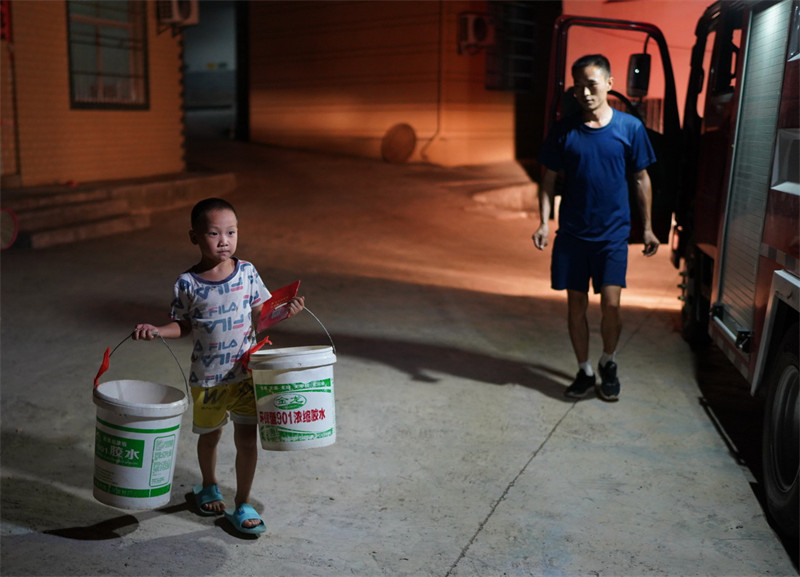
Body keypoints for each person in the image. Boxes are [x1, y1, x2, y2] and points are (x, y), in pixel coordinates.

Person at [132, 197, 305, 535]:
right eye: (214, 233)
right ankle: (209, 486)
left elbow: (261, 316)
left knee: (247, 440)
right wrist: (156, 330)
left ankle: (242, 502)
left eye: (231, 232)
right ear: (194, 237)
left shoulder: (248, 273)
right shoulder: (187, 283)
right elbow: (181, 325)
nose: (224, 240)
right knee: (209, 437)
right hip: (208, 381)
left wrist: (285, 312)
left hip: (245, 375)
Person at [532, 54, 660, 402]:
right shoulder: (564, 131)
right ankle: (585, 370)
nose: (585, 92)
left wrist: (647, 228)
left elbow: (641, 179)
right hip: (572, 236)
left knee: (611, 306)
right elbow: (547, 180)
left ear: (609, 83)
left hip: (612, 236)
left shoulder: (630, 128)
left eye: (592, 83)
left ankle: (609, 360)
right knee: (575, 308)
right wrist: (544, 222)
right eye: (578, 86)